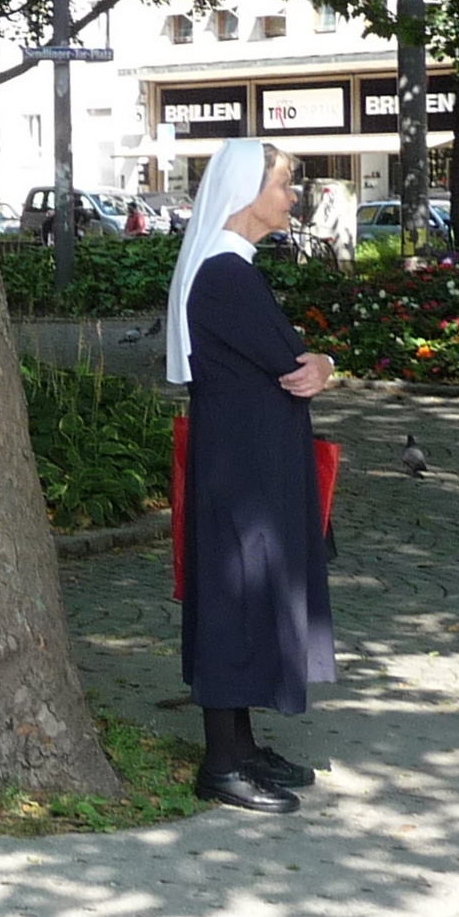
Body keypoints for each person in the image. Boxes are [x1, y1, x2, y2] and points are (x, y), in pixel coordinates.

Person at [165, 138, 336, 815]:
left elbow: (295, 366)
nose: (292, 196)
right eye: (284, 184)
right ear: (246, 191)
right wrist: (321, 360)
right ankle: (221, 763)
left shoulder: (226, 267)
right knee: (234, 602)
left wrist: (317, 363)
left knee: (240, 598)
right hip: (243, 470)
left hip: (243, 462)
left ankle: (240, 746)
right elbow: (294, 364)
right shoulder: (226, 274)